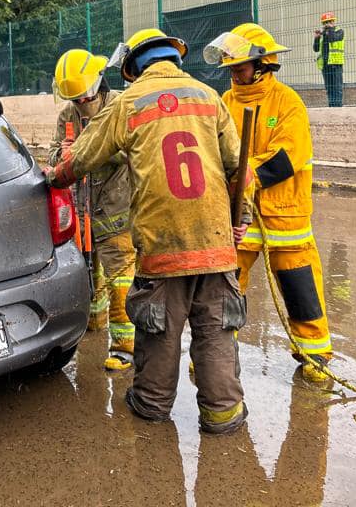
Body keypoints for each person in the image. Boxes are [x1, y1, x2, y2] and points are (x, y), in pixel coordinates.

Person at [47, 29, 249, 434]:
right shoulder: (209, 98)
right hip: (215, 243)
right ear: (173, 58)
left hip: (162, 245)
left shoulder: (128, 104)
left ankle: (151, 406)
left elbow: (80, 159)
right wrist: (238, 218)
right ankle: (223, 414)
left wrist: (55, 177)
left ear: (133, 66)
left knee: (159, 331)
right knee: (216, 333)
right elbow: (239, 169)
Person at [205, 23, 333, 382]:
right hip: (237, 217)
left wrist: (249, 175)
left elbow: (290, 156)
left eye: (240, 66)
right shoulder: (225, 103)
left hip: (284, 216)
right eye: (230, 67)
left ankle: (314, 356)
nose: (233, 73)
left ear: (262, 65)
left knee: (301, 290)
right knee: (224, 290)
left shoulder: (288, 103)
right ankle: (213, 356)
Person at [50, 49, 136, 371]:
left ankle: (126, 347)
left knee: (121, 281)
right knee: (90, 274)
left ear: (98, 82)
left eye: (83, 98)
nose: (80, 104)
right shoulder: (67, 116)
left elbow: (132, 153)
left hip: (115, 211)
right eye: (74, 99)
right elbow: (56, 156)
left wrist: (91, 152)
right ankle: (95, 324)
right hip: (82, 212)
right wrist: (63, 154)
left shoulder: (120, 107)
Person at [313, 12, 345, 107]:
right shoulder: (323, 34)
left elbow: (332, 39)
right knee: (329, 88)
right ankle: (331, 107)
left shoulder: (339, 31)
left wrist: (330, 29)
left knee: (337, 87)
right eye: (325, 22)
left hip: (335, 64)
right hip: (325, 65)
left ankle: (338, 107)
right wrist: (317, 39)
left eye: (329, 22)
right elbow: (316, 49)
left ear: (333, 22)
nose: (327, 24)